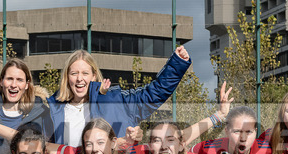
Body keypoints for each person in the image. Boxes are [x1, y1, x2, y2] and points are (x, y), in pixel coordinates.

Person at [46, 46, 191, 147]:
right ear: (67, 77)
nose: (79, 79)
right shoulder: (53, 109)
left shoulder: (116, 101)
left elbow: (154, 93)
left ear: (94, 76)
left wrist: (176, 64)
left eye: (85, 73)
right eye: (74, 73)